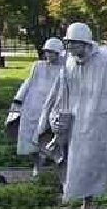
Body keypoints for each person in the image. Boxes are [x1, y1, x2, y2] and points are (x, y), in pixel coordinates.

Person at [35, 23, 107, 209]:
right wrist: (57, 119)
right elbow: (63, 95)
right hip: (81, 124)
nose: (70, 48)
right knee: (82, 162)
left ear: (85, 43)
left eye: (74, 43)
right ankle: (87, 204)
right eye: (68, 44)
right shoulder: (69, 64)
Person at [6, 38, 64, 177]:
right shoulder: (38, 66)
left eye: (52, 52)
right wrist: (18, 99)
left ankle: (56, 167)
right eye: (47, 52)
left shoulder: (64, 70)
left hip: (51, 109)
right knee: (30, 141)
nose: (49, 55)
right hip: (32, 107)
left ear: (58, 53)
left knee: (47, 138)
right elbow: (28, 82)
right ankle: (37, 165)